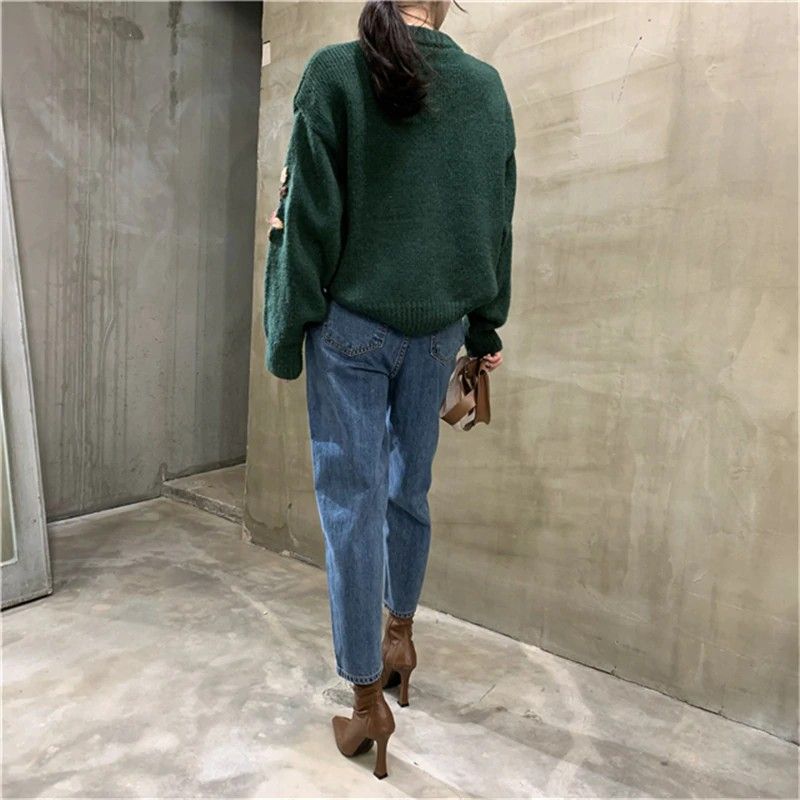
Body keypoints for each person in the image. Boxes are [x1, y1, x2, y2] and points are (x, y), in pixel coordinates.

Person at [262, 0, 515, 779]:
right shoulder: (486, 88)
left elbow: (306, 219)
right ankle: (400, 638)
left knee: (353, 502)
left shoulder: (336, 73)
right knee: (408, 488)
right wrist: (483, 331)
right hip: (438, 329)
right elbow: (495, 219)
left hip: (353, 327)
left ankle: (367, 701)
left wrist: (285, 334)